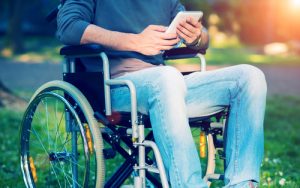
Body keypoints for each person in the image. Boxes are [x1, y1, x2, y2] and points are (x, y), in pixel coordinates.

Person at [57, 0, 267, 187]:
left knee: (249, 77)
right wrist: (134, 41)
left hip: (168, 85)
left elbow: (203, 39)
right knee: (167, 77)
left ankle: (242, 183)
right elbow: (68, 27)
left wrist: (196, 37)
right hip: (115, 87)